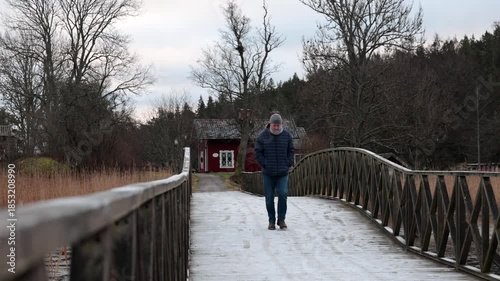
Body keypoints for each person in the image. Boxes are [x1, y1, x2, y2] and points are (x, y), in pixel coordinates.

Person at [254, 113, 294, 230]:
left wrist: (288, 162)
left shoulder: (287, 136)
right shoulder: (262, 136)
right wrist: (264, 164)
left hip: (282, 172)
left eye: (278, 125)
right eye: (274, 125)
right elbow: (257, 152)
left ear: (281, 124)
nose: (276, 127)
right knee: (269, 198)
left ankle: (281, 219)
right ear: (270, 124)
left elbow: (291, 150)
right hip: (268, 172)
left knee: (283, 194)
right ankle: (271, 220)